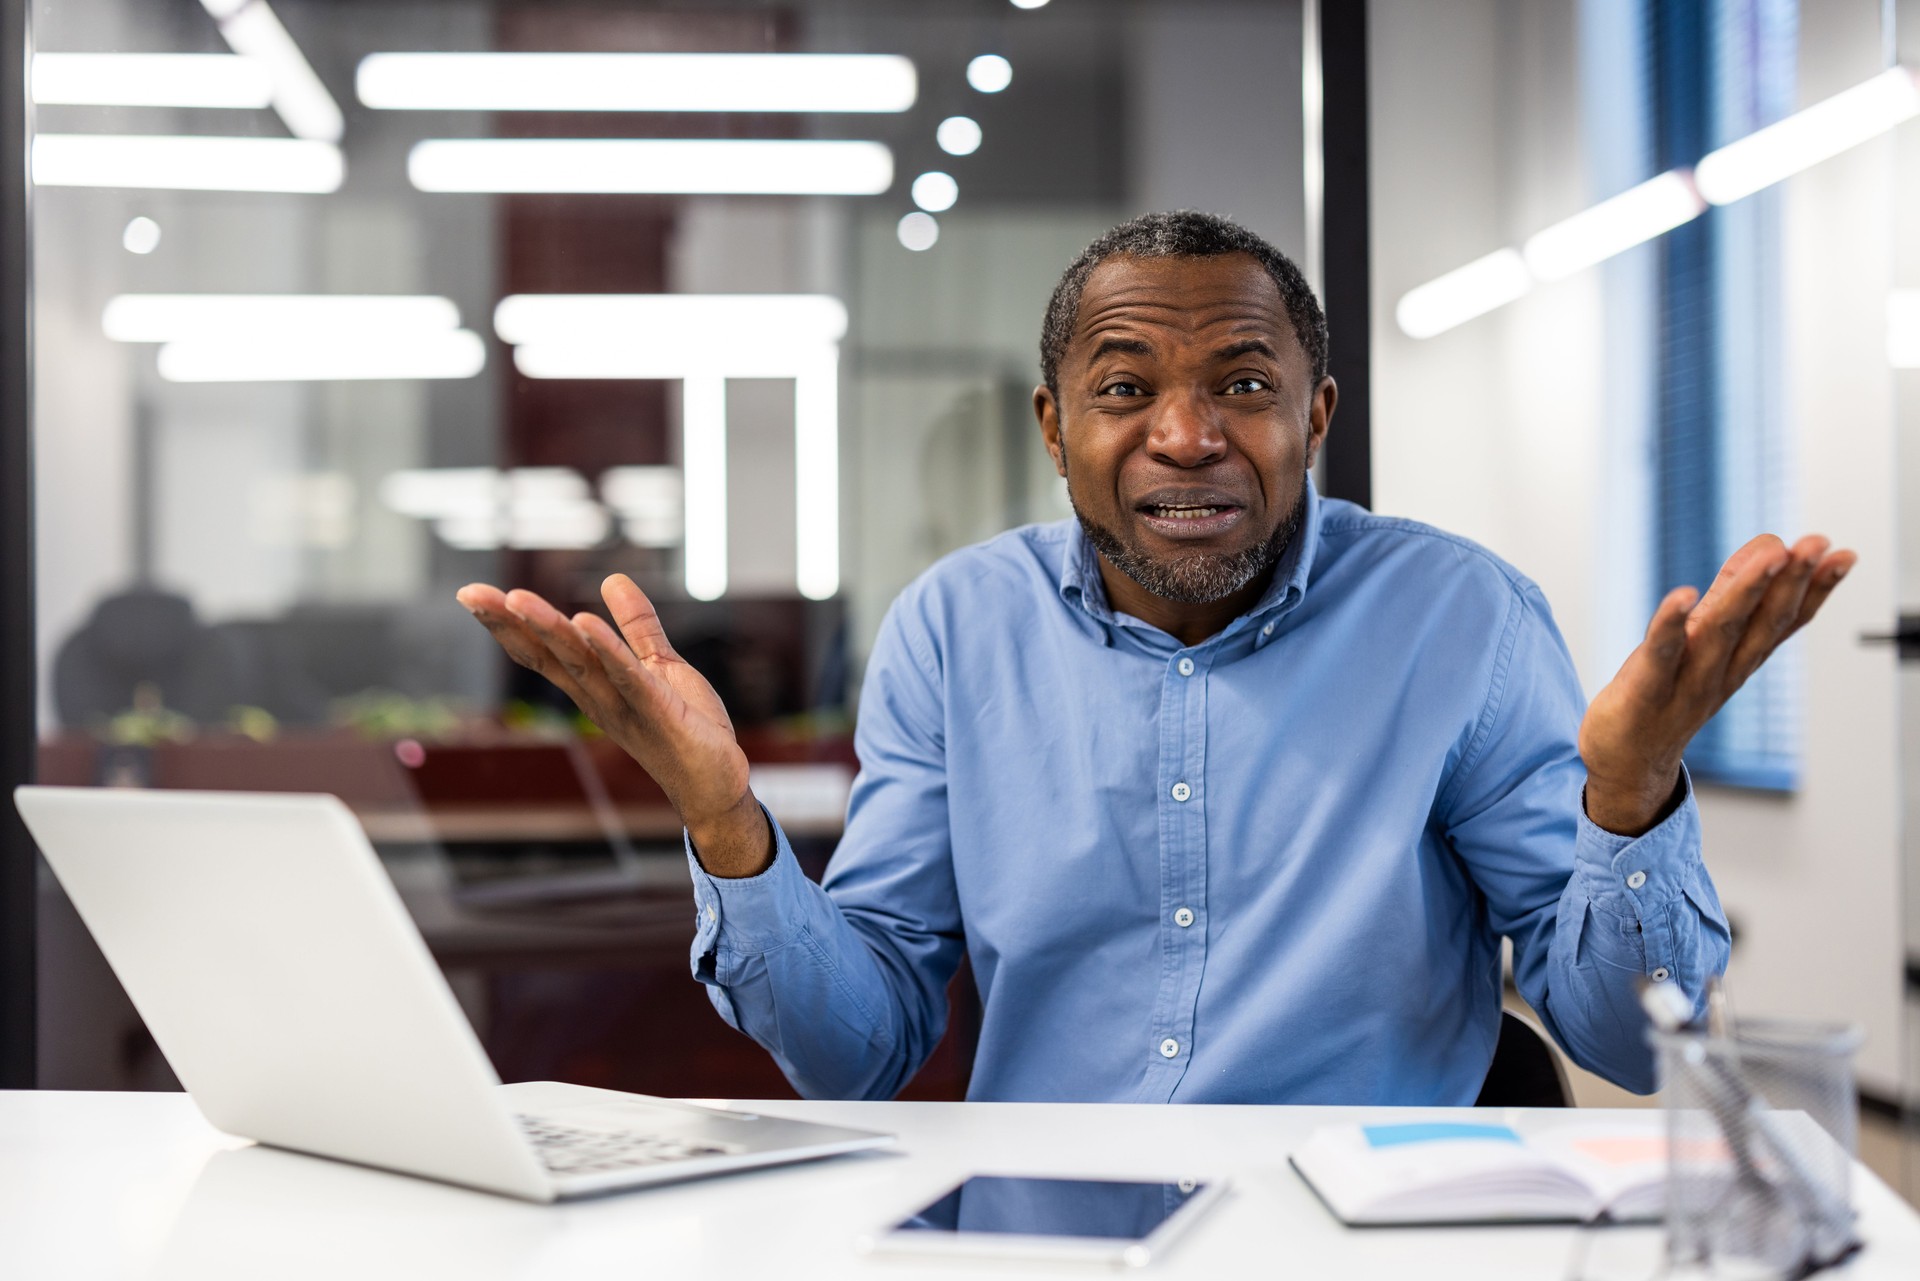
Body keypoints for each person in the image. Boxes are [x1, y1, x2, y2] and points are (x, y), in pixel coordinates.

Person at [456, 212, 1853, 1105]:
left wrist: (1632, 793)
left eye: (1243, 383)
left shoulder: (1461, 616)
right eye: (1127, 388)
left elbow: (1625, 1038)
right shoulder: (956, 627)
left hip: (1353, 1246)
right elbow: (861, 1046)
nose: (1187, 434)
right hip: (1047, 1237)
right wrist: (728, 823)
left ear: (1315, 414)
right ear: (1055, 426)